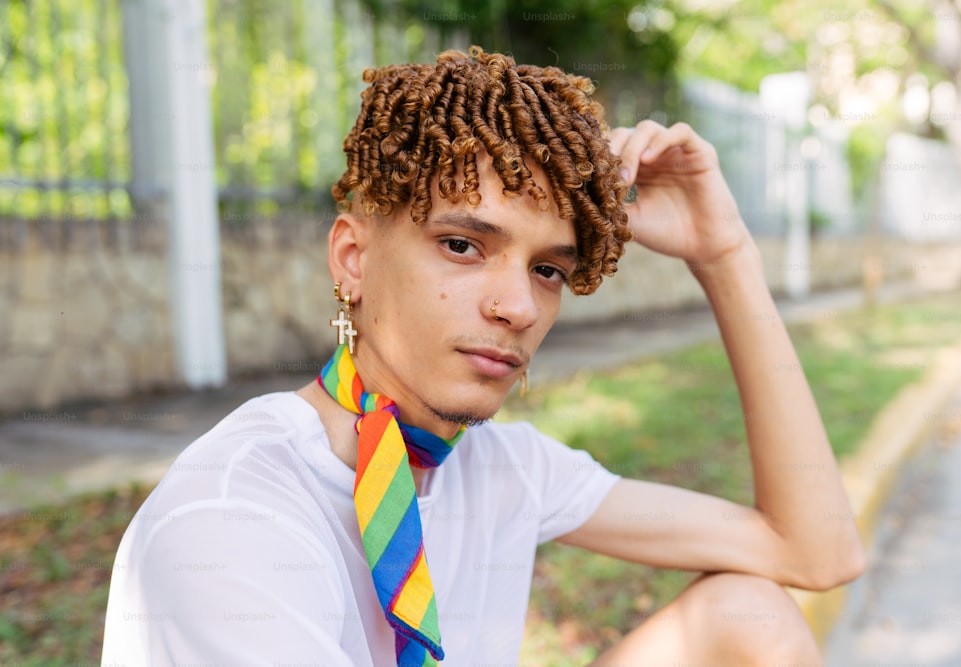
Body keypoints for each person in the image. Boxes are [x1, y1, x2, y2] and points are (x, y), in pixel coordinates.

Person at [102, 46, 864, 666]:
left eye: (548, 269)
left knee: (748, 614)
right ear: (353, 258)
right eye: (463, 245)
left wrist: (725, 255)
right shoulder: (234, 513)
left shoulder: (499, 467)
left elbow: (810, 550)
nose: (520, 306)